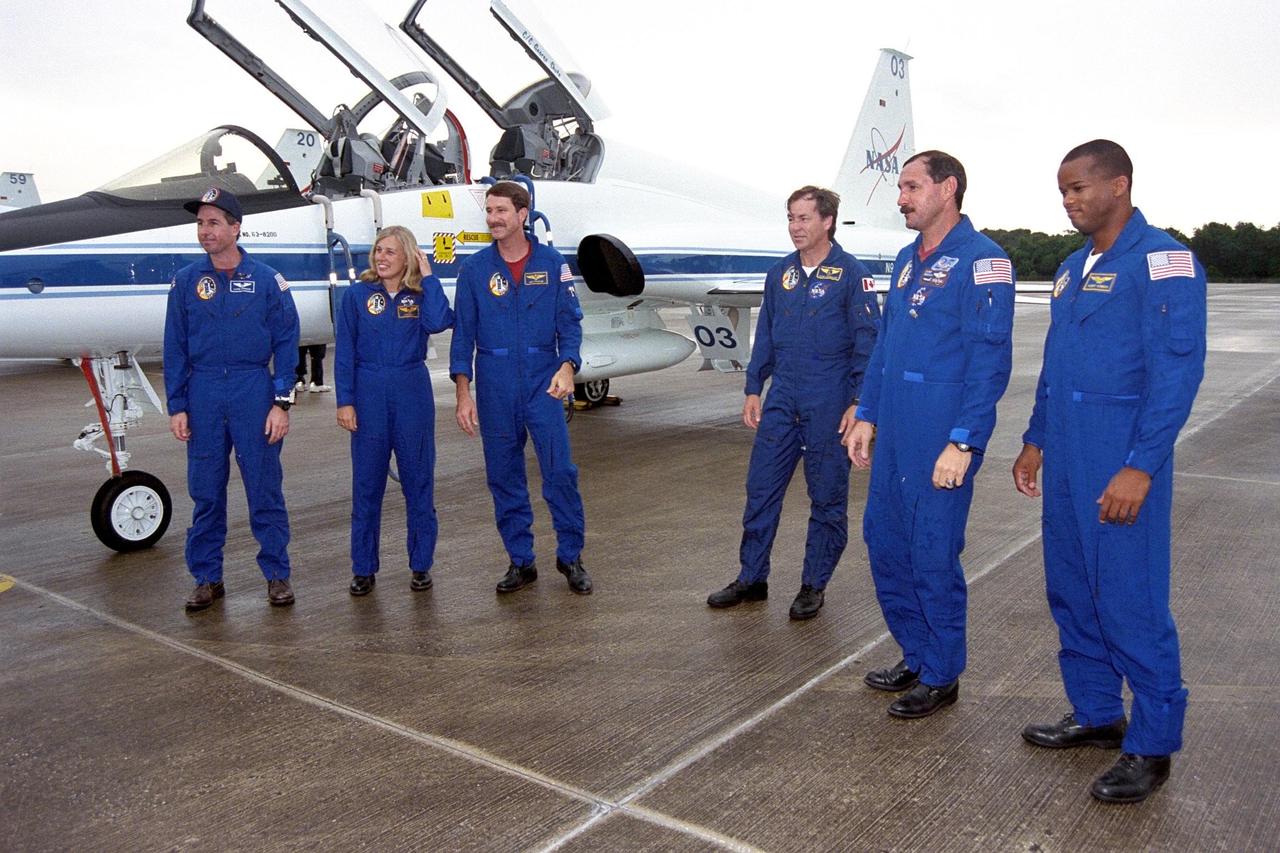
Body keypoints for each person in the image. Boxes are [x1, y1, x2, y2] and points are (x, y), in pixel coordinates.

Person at [1012, 140, 1205, 804]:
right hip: (1066, 452)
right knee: (1072, 589)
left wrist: (1141, 466)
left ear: (1118, 184)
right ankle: (1096, 711)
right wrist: (1035, 440)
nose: (1068, 201)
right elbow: (1057, 361)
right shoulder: (1071, 267)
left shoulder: (1163, 260)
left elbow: (1177, 372)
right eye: (1062, 191)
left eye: (1078, 188)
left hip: (1120, 454)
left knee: (1130, 600)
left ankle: (1152, 743)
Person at [846, 151, 1014, 718]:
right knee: (886, 545)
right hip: (894, 427)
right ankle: (916, 653)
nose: (901, 197)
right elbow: (886, 345)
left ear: (948, 188)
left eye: (911, 186)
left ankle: (942, 673)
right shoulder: (904, 259)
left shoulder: (983, 261)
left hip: (940, 435)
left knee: (933, 554)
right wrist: (866, 413)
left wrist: (964, 441)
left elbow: (990, 363)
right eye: (901, 188)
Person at [706, 186, 880, 619]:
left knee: (826, 498)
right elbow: (765, 334)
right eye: (790, 218)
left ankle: (813, 584)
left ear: (827, 222)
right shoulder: (779, 274)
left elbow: (868, 345)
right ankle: (752, 577)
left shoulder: (852, 275)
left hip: (830, 400)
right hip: (783, 397)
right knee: (760, 491)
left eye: (804, 218)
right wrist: (753, 386)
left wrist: (860, 402)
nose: (795, 227)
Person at [449, 181, 593, 595]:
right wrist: (463, 392)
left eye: (501, 211)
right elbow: (463, 337)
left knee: (560, 473)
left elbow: (570, 323)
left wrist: (568, 367)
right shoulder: (475, 270)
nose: (493, 218)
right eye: (489, 211)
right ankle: (520, 560)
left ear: (522, 214)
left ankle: (570, 557)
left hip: (542, 381)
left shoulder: (551, 264)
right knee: (503, 476)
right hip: (494, 383)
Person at [163, 187, 300, 611]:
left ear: (235, 228)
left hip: (252, 391)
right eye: (201, 223)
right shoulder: (186, 282)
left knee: (264, 488)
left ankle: (277, 574)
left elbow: (288, 341)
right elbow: (175, 347)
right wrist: (178, 404)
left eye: (214, 223)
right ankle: (207, 578)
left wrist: (281, 402)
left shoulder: (266, 281)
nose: (205, 231)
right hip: (204, 392)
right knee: (205, 491)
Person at [335, 226, 454, 596]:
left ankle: (421, 565)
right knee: (366, 487)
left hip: (411, 394)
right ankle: (363, 568)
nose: (381, 258)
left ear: (408, 257)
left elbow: (439, 322)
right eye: (378, 251)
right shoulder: (356, 296)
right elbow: (344, 353)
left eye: (390, 252)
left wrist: (430, 278)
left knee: (419, 483)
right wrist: (345, 402)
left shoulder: (420, 297)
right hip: (368, 393)